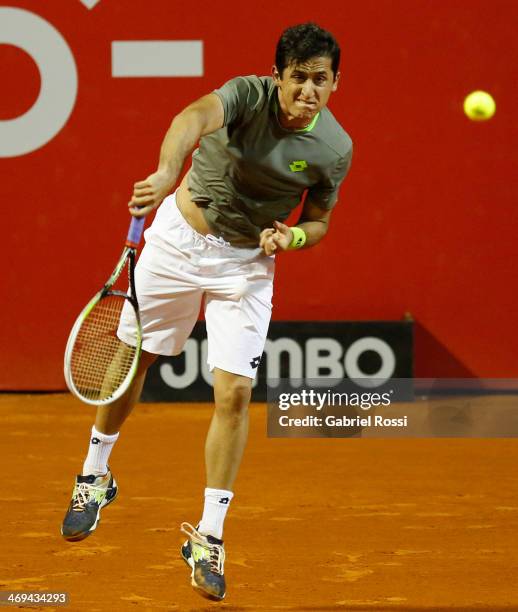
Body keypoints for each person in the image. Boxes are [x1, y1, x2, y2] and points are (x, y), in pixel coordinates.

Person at [61, 22, 353, 602]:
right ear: (279, 77)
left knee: (235, 394)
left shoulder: (334, 148)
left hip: (245, 266)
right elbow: (190, 119)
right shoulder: (246, 95)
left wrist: (292, 239)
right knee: (133, 360)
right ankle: (95, 475)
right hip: (177, 241)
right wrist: (169, 171)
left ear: (335, 82)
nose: (308, 92)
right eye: (298, 79)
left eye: (320, 80)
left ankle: (210, 536)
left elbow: (319, 219)